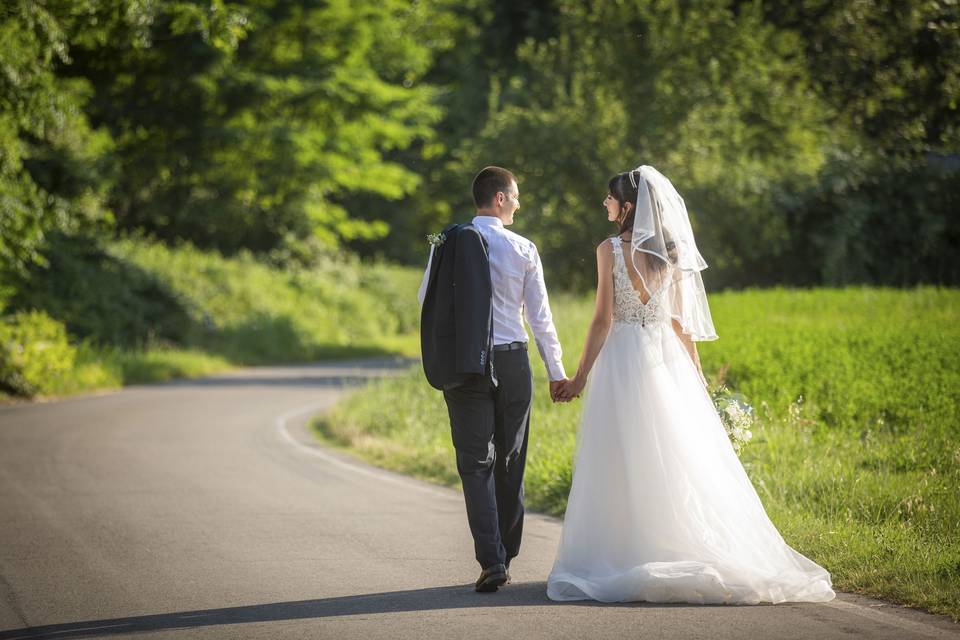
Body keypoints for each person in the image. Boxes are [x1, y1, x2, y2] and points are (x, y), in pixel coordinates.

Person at [546, 165, 836, 604]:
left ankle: (629, 553)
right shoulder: (671, 253)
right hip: (665, 359)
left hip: (623, 357)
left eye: (609, 199)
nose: (604, 204)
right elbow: (681, 324)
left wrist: (580, 377)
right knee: (674, 453)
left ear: (627, 208)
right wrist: (696, 376)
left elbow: (603, 320)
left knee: (623, 454)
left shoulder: (607, 250)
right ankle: (674, 543)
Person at [418, 166, 568, 592]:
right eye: (515, 196)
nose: (519, 203)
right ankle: (506, 549)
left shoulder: (447, 243)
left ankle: (491, 559)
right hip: (512, 363)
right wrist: (557, 373)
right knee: (510, 459)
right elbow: (540, 319)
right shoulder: (522, 248)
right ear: (499, 198)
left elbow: (424, 299)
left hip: (466, 365)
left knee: (474, 463)